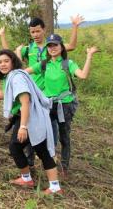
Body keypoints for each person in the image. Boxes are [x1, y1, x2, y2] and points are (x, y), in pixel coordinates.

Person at [0, 16, 84, 167]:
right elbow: (9, 54)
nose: (35, 34)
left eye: (38, 31)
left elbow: (71, 45)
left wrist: (75, 26)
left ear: (44, 30)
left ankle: (52, 156)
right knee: (32, 125)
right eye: (32, 32)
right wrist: (3, 36)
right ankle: (31, 159)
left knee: (53, 128)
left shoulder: (51, 48)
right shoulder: (29, 49)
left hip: (47, 95)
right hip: (31, 93)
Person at [0, 50, 62, 195]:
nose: (2, 64)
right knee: (23, 148)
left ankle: (52, 186)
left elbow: (25, 102)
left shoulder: (16, 78)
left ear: (13, 61)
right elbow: (6, 93)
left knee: (34, 149)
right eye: (0, 62)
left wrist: (23, 127)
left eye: (6, 61)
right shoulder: (12, 77)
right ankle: (30, 179)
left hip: (30, 118)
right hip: (28, 117)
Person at [25, 34, 99, 175]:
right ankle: (36, 163)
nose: (52, 48)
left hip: (64, 106)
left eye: (55, 45)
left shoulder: (67, 63)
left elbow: (83, 75)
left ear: (61, 47)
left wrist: (89, 56)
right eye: (50, 46)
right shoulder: (44, 64)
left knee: (64, 136)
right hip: (47, 105)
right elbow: (26, 72)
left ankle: (64, 167)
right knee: (39, 133)